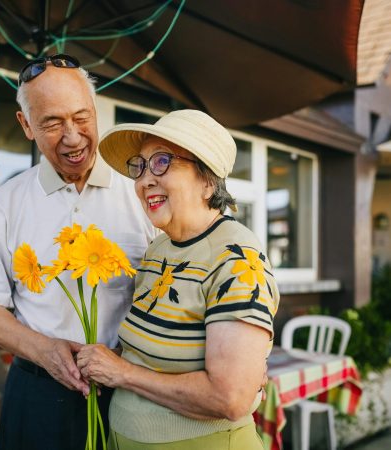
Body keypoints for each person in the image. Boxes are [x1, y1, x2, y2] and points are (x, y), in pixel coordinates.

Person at [0, 54, 156, 450]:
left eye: (82, 117)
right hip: (37, 394)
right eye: (52, 122)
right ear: (26, 126)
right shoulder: (6, 201)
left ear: (96, 109)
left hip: (131, 392)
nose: (72, 137)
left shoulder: (143, 191)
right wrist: (45, 351)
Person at [76, 109, 280, 450]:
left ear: (207, 180)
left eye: (162, 162)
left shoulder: (236, 257)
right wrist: (102, 358)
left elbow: (230, 398)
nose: (144, 181)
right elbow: (151, 351)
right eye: (139, 166)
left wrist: (121, 373)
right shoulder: (159, 247)